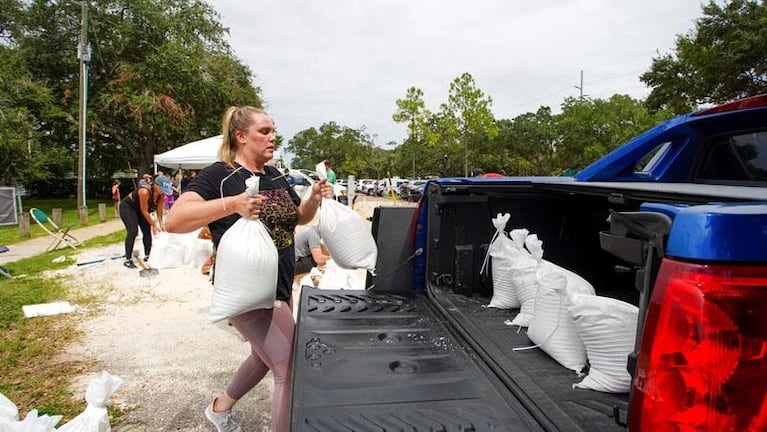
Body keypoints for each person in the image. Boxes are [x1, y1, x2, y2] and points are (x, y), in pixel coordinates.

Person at [164, 106, 332, 432]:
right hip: (248, 291)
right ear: (241, 136)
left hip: (281, 286)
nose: (273, 138)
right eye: (264, 132)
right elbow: (174, 221)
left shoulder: (275, 175)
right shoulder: (220, 175)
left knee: (263, 356)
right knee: (288, 366)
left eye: (273, 131)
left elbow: (298, 219)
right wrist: (233, 204)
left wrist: (312, 198)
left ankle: (219, 408)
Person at [119, 174, 173, 268]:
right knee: (133, 231)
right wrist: (154, 225)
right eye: (161, 189)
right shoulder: (144, 191)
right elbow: (144, 211)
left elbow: (159, 210)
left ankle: (148, 255)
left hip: (141, 210)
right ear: (155, 185)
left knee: (147, 231)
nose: (162, 191)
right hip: (128, 207)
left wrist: (161, 224)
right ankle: (128, 259)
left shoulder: (161, 194)